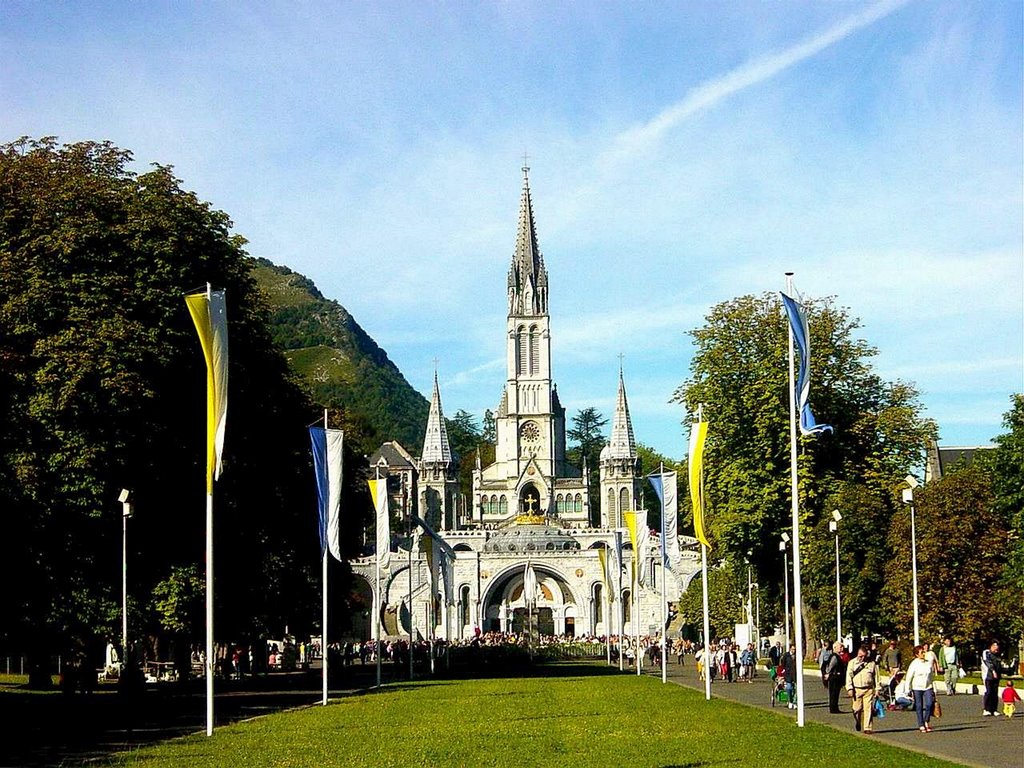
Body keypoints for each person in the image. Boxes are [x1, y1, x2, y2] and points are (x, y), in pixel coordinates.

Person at [846, 643, 881, 734]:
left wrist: (877, 689)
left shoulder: (871, 664)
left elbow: (876, 677)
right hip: (856, 689)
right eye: (860, 656)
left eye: (863, 656)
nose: (861, 658)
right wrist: (849, 688)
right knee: (856, 709)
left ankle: (867, 727)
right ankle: (858, 720)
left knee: (868, 708)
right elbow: (848, 676)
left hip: (868, 689)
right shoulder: (852, 663)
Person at [906, 644, 936, 732]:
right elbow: (909, 677)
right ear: (917, 655)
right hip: (917, 687)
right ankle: (921, 724)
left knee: (929, 704)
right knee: (919, 706)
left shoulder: (928, 662)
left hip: (928, 687)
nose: (923, 654)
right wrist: (907, 689)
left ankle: (926, 720)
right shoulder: (914, 664)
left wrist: (934, 687)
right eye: (921, 652)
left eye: (924, 652)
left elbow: (931, 676)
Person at [981, 641, 1004, 716]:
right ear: (991, 646)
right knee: (989, 691)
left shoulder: (998, 655)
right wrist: (993, 671)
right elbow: (987, 662)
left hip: (996, 676)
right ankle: (986, 709)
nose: (996, 649)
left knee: (995, 692)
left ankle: (994, 709)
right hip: (988, 675)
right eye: (994, 647)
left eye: (997, 648)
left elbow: (999, 665)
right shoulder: (986, 653)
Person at [823, 641, 846, 713]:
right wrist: (828, 673)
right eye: (840, 647)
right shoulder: (834, 657)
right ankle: (833, 708)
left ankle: (835, 707)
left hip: (837, 677)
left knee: (836, 693)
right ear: (835, 648)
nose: (842, 648)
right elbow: (830, 666)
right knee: (833, 693)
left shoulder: (838, 656)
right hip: (834, 677)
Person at [781, 644, 798, 709]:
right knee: (789, 688)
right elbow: (783, 664)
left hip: (795, 674)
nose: (794, 651)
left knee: (797, 689)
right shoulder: (786, 655)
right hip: (788, 675)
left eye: (795, 649)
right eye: (793, 649)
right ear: (790, 649)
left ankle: (795, 702)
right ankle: (790, 701)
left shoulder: (797, 655)